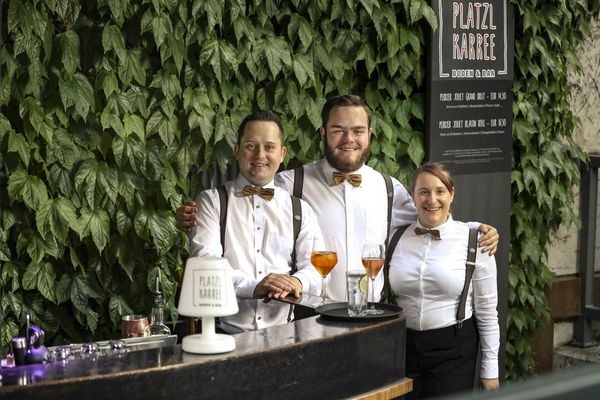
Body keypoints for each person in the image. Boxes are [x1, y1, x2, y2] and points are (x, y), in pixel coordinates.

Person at [177, 95, 499, 302]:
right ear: (322, 133)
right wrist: (192, 218)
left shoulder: (389, 189)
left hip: (372, 320)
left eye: (358, 130)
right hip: (310, 320)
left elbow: (429, 219)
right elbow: (249, 197)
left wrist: (473, 229)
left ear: (370, 135)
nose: (349, 139)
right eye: (338, 130)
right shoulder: (292, 184)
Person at [188, 110, 322, 333]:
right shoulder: (211, 201)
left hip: (285, 336)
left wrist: (297, 283)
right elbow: (206, 265)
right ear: (237, 150)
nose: (260, 154)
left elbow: (316, 267)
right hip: (223, 336)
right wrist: (255, 287)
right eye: (251, 146)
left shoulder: (300, 209)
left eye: (269, 147)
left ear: (282, 154)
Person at [386, 162, 500, 398]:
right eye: (424, 192)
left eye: (440, 191)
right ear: (413, 196)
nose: (432, 199)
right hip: (401, 349)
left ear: (452, 194)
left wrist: (490, 371)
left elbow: (488, 312)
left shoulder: (476, 242)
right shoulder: (395, 238)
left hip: (454, 349)